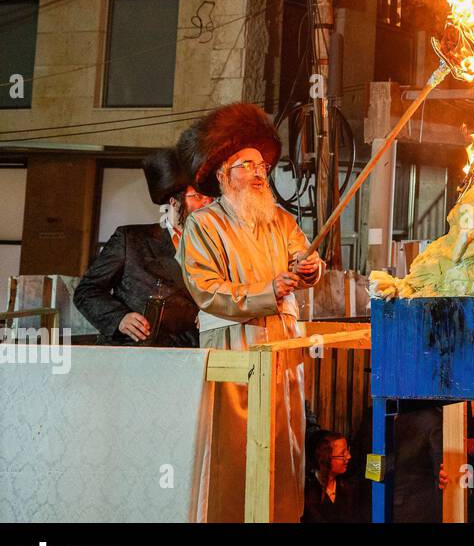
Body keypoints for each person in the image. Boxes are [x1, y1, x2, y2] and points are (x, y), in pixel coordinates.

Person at [177, 102, 325, 522]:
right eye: (247, 165)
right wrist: (267, 291)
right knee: (236, 446)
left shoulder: (280, 219)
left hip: (282, 347)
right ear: (224, 174)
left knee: (285, 440)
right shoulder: (204, 225)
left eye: (262, 165)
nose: (260, 173)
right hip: (234, 349)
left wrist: (311, 268)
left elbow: (305, 256)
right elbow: (206, 290)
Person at [74, 145, 212, 346]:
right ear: (174, 202)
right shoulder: (131, 239)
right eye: (197, 197)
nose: (206, 205)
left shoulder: (212, 249)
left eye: (209, 199)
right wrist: (119, 318)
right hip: (134, 350)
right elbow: (87, 291)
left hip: (188, 353)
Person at [303, 431, 361, 522]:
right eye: (343, 454)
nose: (349, 456)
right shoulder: (308, 491)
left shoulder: (347, 486)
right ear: (326, 458)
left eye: (348, 451)